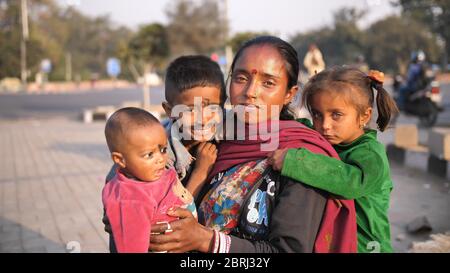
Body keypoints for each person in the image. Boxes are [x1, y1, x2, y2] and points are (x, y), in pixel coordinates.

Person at [148, 36, 357, 253]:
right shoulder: (216, 135)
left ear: (289, 94)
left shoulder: (303, 158)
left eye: (268, 83)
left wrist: (206, 241)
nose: (251, 92)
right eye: (241, 78)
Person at [103, 55, 226, 252]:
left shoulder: (228, 130)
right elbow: (168, 218)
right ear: (169, 110)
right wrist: (200, 172)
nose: (203, 119)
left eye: (212, 107)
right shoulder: (154, 154)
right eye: (190, 110)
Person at [268, 67, 398, 253]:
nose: (325, 125)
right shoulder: (325, 137)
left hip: (366, 247)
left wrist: (295, 161)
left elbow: (351, 181)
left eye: (336, 115)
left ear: (364, 115)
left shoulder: (371, 153)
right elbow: (302, 128)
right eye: (317, 114)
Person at [102, 108, 197, 252]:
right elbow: (133, 247)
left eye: (163, 150)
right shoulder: (132, 198)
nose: (160, 159)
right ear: (120, 160)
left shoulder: (152, 174)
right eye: (149, 155)